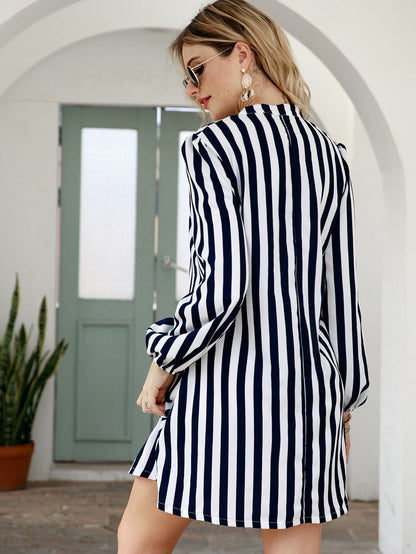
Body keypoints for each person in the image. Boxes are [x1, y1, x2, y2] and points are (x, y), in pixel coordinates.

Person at [117, 0, 369, 552]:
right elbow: (341, 292)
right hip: (308, 390)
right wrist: (344, 402)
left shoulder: (213, 148)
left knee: (139, 538)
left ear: (243, 54)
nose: (192, 90)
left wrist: (164, 360)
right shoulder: (331, 156)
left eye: (197, 69)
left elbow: (221, 287)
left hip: (225, 381)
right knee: (292, 541)